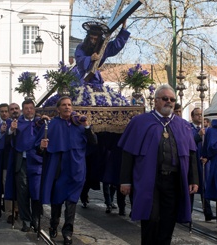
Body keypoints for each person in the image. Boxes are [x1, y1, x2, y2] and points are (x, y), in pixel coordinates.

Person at [118, 84, 199, 244]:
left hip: (173, 181)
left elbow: (191, 154)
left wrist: (193, 179)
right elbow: (128, 153)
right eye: (165, 99)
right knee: (151, 218)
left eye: (172, 99)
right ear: (155, 101)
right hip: (149, 180)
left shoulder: (182, 125)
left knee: (168, 220)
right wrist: (125, 180)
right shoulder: (140, 122)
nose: (169, 102)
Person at [38, 97, 97, 245]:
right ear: (58, 109)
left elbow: (93, 142)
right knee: (57, 201)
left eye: (69, 105)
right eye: (64, 105)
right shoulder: (52, 125)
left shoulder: (79, 124)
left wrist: (87, 125)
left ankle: (68, 232)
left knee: (72, 202)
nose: (67, 107)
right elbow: (40, 149)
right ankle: (54, 222)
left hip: (76, 169)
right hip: (60, 170)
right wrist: (42, 146)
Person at [8, 99, 44, 232]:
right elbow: (9, 138)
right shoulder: (18, 123)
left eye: (31, 108)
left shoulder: (40, 122)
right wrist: (12, 130)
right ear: (23, 110)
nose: (29, 111)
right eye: (26, 108)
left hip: (36, 161)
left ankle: (35, 217)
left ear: (34, 109)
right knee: (22, 192)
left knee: (36, 191)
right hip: (21, 161)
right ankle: (26, 220)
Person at [75, 20, 129, 86]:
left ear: (99, 39)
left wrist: (123, 27)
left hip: (96, 80)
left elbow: (116, 45)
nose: (92, 41)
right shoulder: (81, 47)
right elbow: (79, 60)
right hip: (81, 78)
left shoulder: (103, 48)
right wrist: (90, 58)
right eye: (91, 38)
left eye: (95, 39)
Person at [189, 108, 215, 221]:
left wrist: (207, 157)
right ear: (192, 116)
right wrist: (198, 135)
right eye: (197, 115)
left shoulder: (207, 130)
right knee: (191, 187)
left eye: (201, 115)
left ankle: (208, 213)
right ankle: (187, 213)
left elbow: (210, 146)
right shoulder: (188, 128)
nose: (200, 117)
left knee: (205, 187)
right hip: (192, 162)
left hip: (203, 163)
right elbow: (188, 143)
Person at [4, 102, 21, 223]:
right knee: (8, 185)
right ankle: (10, 212)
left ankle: (18, 209)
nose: (14, 111)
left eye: (16, 108)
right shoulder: (6, 124)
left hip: (20, 159)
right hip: (8, 159)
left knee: (20, 185)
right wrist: (10, 130)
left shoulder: (25, 122)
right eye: (12, 109)